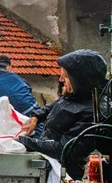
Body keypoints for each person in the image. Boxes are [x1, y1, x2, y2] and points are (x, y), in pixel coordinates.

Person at [16, 49, 107, 180]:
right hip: (47, 161)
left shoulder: (93, 111)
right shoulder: (73, 95)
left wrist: (23, 142)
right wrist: (36, 117)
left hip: (63, 174)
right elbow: (53, 106)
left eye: (65, 76)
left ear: (80, 79)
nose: (60, 79)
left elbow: (64, 148)